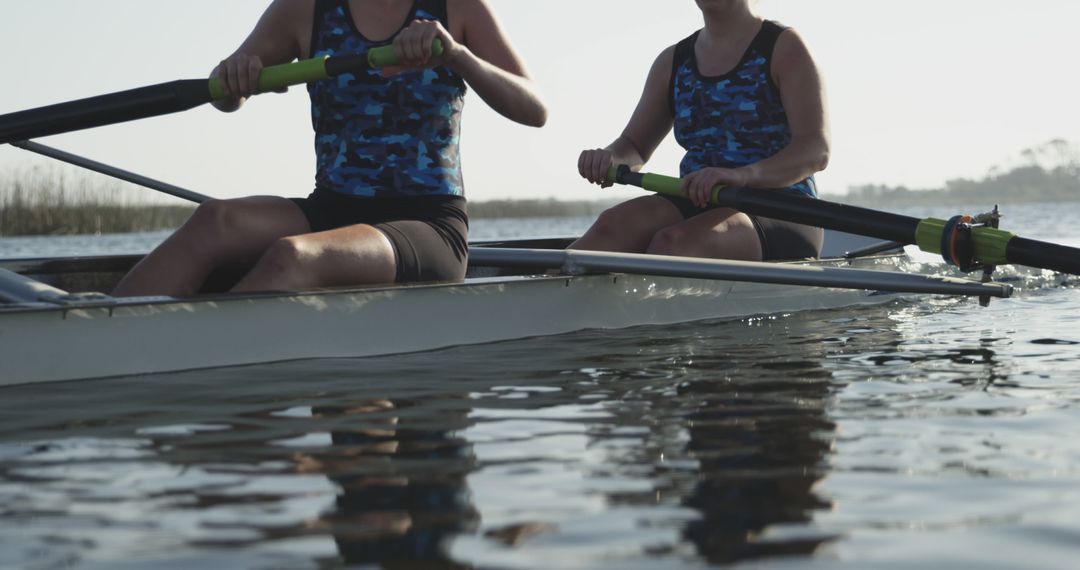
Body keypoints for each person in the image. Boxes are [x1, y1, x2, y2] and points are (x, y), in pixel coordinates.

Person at [113, 0, 546, 297]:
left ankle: (193, 353)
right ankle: (93, 332)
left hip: (427, 223)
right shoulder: (303, 9)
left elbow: (534, 108)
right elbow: (227, 96)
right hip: (331, 207)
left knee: (292, 257)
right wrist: (234, 76)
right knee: (214, 220)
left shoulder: (458, 7)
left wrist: (457, 56)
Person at [572, 0, 827, 262]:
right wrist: (609, 157)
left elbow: (815, 151)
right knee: (611, 225)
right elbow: (633, 147)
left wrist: (742, 176)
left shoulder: (785, 48)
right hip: (701, 200)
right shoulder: (673, 61)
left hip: (783, 209)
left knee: (674, 244)